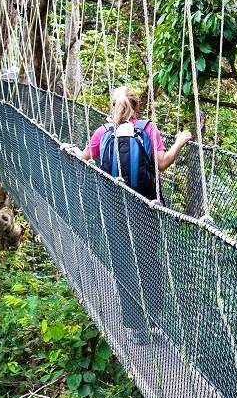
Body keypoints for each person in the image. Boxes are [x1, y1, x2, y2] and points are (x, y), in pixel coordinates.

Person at [66, 86, 192, 345]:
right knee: (148, 260)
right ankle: (153, 318)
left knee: (123, 264)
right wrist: (180, 140)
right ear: (138, 106)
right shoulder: (147, 129)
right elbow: (163, 162)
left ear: (112, 106)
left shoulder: (102, 132)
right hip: (146, 206)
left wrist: (71, 149)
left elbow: (85, 157)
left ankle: (135, 327)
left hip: (113, 208)